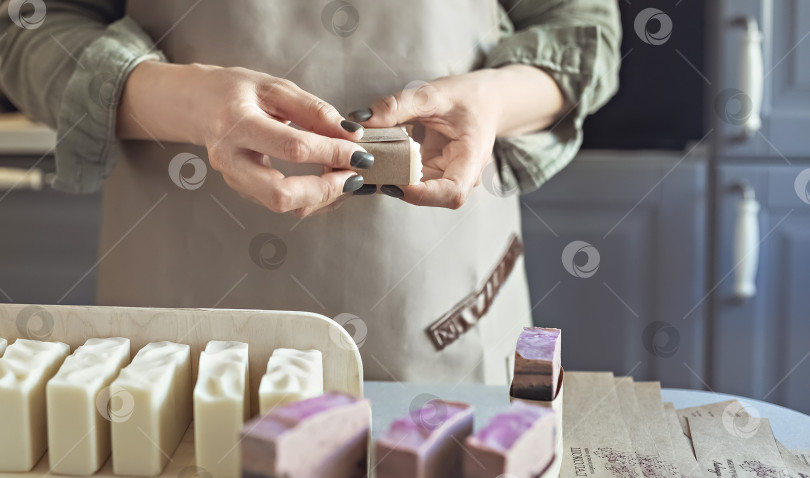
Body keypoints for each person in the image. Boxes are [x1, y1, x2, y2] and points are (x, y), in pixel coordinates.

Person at [0, 0, 620, 384]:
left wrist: (491, 102)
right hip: (183, 302)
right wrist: (187, 103)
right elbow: (27, 25)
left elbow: (583, 29)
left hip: (442, 299)